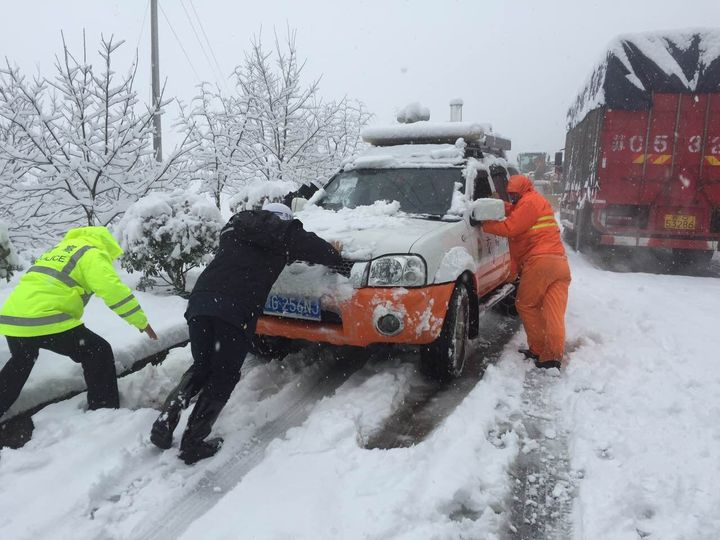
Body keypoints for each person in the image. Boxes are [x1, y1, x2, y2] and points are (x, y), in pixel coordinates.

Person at [150, 202, 343, 464]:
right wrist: (335, 254)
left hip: (200, 302)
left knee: (203, 365)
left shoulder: (235, 227)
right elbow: (317, 249)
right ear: (284, 219)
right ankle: (193, 442)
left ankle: (165, 421)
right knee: (224, 374)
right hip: (234, 309)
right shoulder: (283, 232)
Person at [0, 226, 158, 420]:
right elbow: (111, 289)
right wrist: (141, 321)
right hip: (45, 316)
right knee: (97, 351)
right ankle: (104, 412)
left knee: (22, 360)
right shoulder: (92, 252)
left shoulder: (59, 249)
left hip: (12, 318)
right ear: (106, 245)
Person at [482, 175, 571, 369]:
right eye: (510, 195)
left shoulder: (529, 202)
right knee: (553, 312)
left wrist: (482, 224)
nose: (512, 198)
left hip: (541, 263)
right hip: (560, 264)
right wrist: (498, 205)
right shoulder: (534, 201)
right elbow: (516, 211)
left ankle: (538, 349)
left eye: (514, 194)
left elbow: (511, 227)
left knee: (526, 304)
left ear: (522, 190)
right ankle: (552, 357)